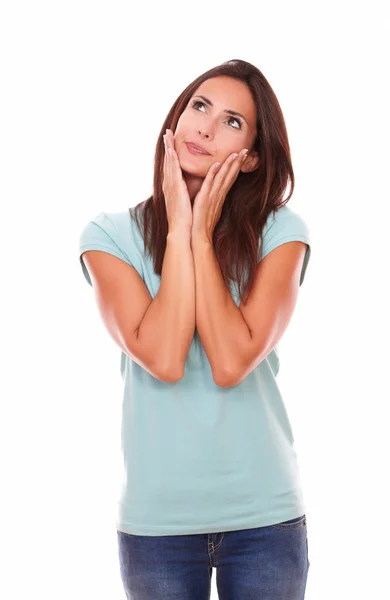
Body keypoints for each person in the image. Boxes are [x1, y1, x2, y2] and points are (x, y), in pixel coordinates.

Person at [78, 58, 311, 599]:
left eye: (232, 121)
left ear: (250, 158)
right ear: (176, 120)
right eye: (199, 107)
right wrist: (179, 224)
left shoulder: (282, 233)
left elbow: (232, 363)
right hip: (157, 525)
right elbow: (163, 357)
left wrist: (200, 236)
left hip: (265, 519)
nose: (205, 126)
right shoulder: (109, 236)